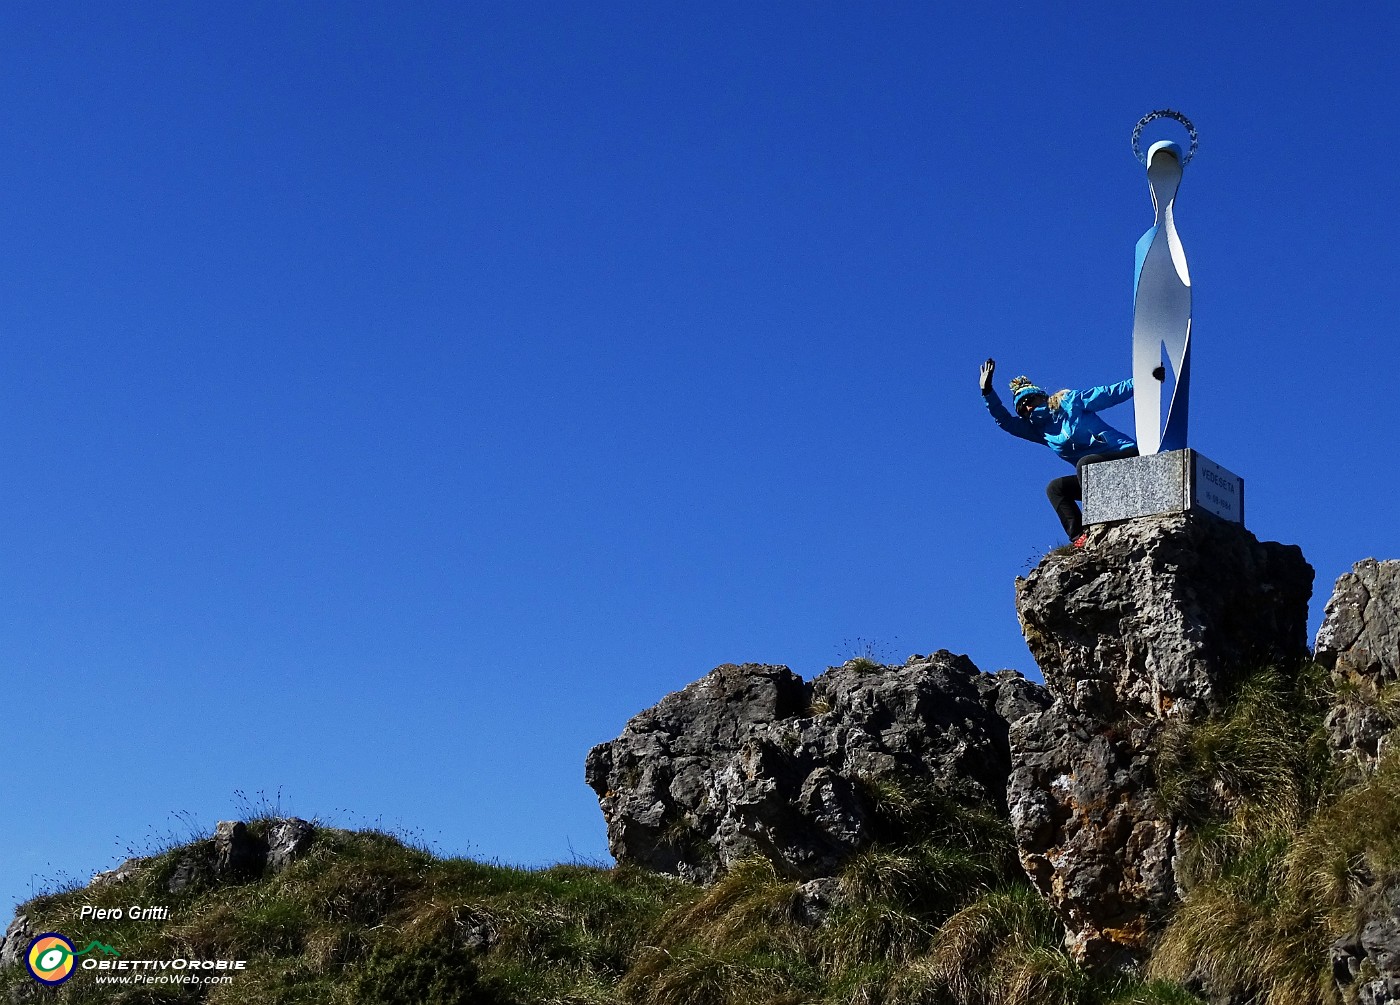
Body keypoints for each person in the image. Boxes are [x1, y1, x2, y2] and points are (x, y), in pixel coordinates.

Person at [978, 358, 1157, 546]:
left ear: (1041, 396)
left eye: (1029, 400)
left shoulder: (1069, 402)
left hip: (1126, 456)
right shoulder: (1038, 430)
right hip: (1096, 478)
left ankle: (1104, 517)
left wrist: (1145, 381)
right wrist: (987, 392)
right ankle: (1080, 538)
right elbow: (1005, 422)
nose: (1027, 407)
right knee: (1055, 488)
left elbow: (1109, 393)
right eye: (1022, 407)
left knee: (1085, 464)